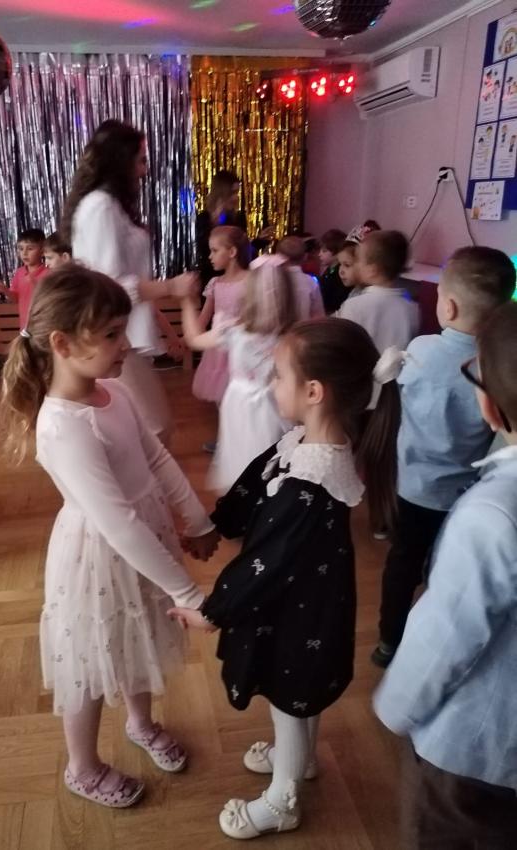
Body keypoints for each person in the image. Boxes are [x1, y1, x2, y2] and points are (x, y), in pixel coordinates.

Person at [169, 319, 401, 840]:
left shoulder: (310, 488)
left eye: (278, 375)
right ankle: (300, 759)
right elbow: (256, 482)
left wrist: (212, 612)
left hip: (298, 611)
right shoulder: (307, 445)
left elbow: (264, 562)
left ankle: (283, 799)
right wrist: (216, 525)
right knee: (298, 691)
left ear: (314, 392)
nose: (271, 384)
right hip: (305, 603)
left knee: (289, 697)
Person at [0, 264, 219, 809]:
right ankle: (82, 765)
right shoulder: (62, 425)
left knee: (137, 636)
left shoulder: (113, 392)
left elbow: (157, 458)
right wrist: (187, 592)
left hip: (143, 540)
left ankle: (140, 723)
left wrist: (197, 519)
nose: (126, 344)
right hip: (99, 554)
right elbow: (116, 521)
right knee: (92, 660)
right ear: (63, 344)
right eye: (112, 334)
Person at [373, 301, 517, 850]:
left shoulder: (493, 514)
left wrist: (395, 707)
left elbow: (448, 634)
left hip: (474, 753)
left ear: (490, 406)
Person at [371, 246, 516, 668]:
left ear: (448, 306)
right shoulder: (494, 368)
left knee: (402, 562)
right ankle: (436, 641)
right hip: (465, 496)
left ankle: (389, 641)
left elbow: (389, 384)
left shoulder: (422, 349)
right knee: (445, 569)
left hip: (412, 487)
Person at [59, 119, 196, 447]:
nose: (144, 170)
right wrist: (171, 287)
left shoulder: (108, 206)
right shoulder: (100, 206)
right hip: (114, 335)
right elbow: (108, 286)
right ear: (120, 161)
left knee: (146, 432)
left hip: (123, 335)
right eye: (140, 160)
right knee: (154, 430)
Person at [182, 255, 299, 494]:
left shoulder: (233, 331)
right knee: (272, 453)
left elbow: (194, 339)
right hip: (277, 403)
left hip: (240, 403)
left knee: (242, 452)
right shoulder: (294, 336)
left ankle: (244, 494)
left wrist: (186, 302)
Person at [192, 226, 250, 406]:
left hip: (242, 346)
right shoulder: (215, 283)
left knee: (242, 395)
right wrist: (188, 338)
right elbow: (204, 316)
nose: (210, 256)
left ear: (232, 252)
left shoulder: (251, 280)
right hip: (218, 348)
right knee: (222, 396)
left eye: (215, 251)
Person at [338, 230, 419, 352]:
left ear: (372, 270)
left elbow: (341, 347)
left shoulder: (353, 306)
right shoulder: (412, 309)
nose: (357, 265)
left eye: (359, 260)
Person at [195, 170, 273, 285]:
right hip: (210, 279)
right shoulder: (203, 219)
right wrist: (216, 220)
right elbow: (203, 251)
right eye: (233, 193)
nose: (236, 197)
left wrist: (259, 241)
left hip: (236, 280)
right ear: (222, 193)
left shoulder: (238, 219)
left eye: (237, 193)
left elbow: (242, 252)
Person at [0, 228, 48, 330]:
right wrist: (5, 290)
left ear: (42, 251)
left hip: (44, 327)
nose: (24, 253)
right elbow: (16, 299)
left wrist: (36, 285)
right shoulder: (19, 272)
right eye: (21, 249)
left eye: (30, 248)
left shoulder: (49, 273)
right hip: (25, 327)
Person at [277, 236, 325, 320]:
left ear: (278, 257)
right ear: (305, 257)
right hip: (304, 327)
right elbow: (318, 314)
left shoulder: (274, 280)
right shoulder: (311, 282)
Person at [317, 228, 347, 313]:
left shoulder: (340, 274)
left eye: (324, 251)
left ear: (337, 252)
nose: (319, 254)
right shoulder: (329, 270)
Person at [336, 225, 370, 300]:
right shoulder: (354, 292)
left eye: (347, 265)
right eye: (340, 264)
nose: (341, 271)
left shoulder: (367, 298)